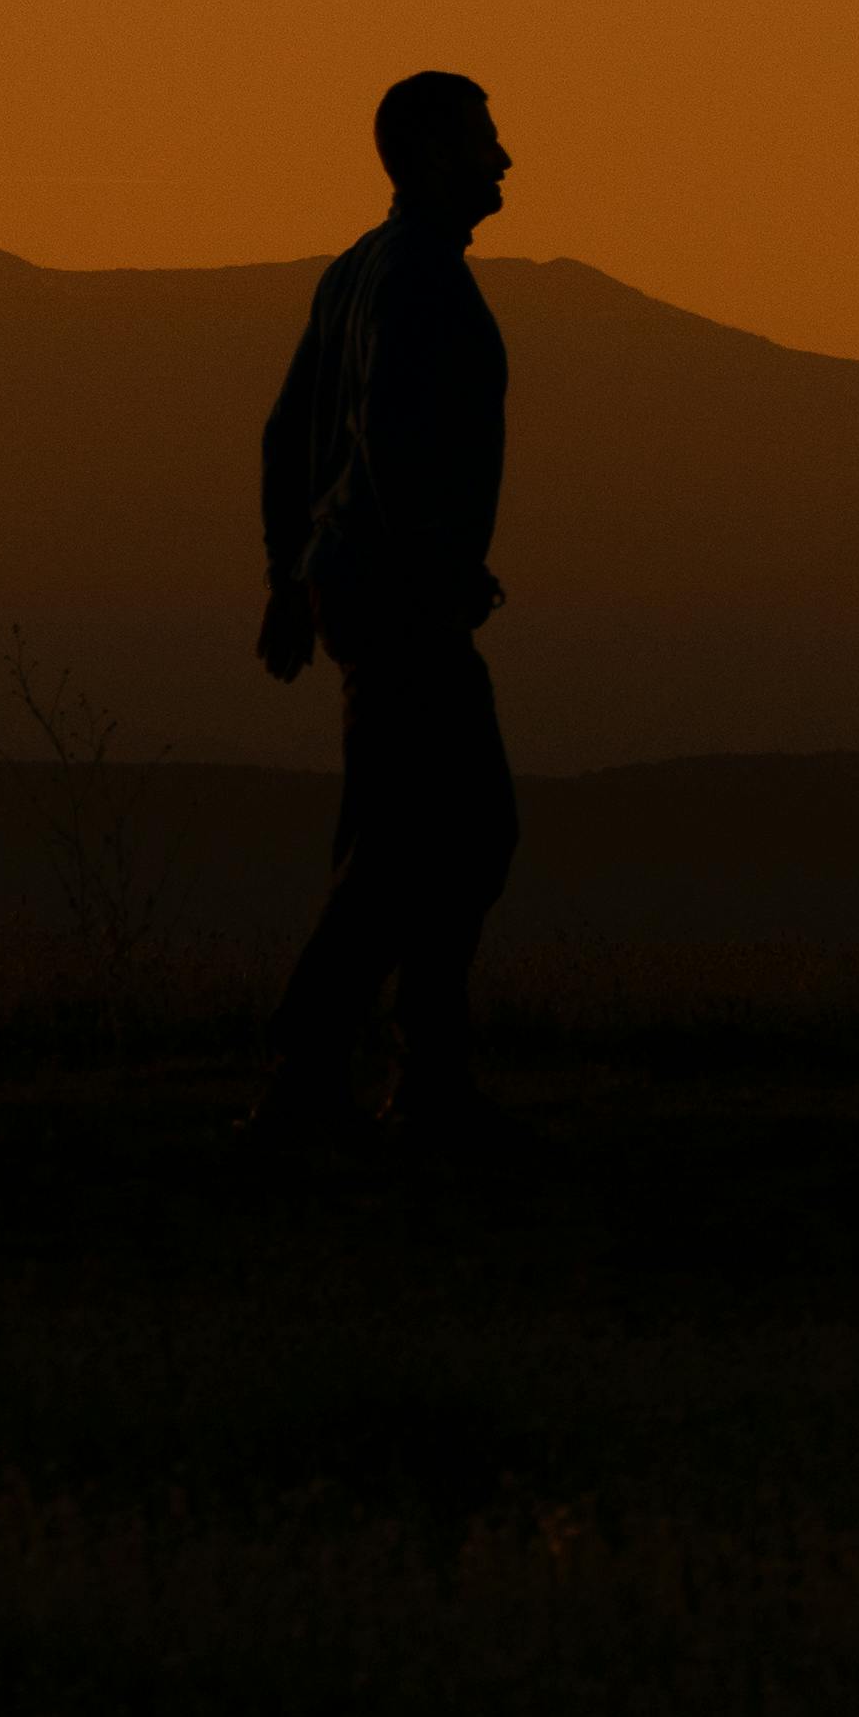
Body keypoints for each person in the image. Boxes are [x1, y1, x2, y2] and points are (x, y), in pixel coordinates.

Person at [252, 70, 520, 1145]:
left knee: (413, 834)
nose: (503, 161)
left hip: (365, 589)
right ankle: (323, 1079)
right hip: (400, 596)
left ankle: (410, 1078)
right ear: (426, 155)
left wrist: (289, 576)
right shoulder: (416, 283)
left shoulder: (360, 272)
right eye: (483, 141)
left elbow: (290, 433)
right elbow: (392, 448)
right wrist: (437, 567)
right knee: (446, 837)